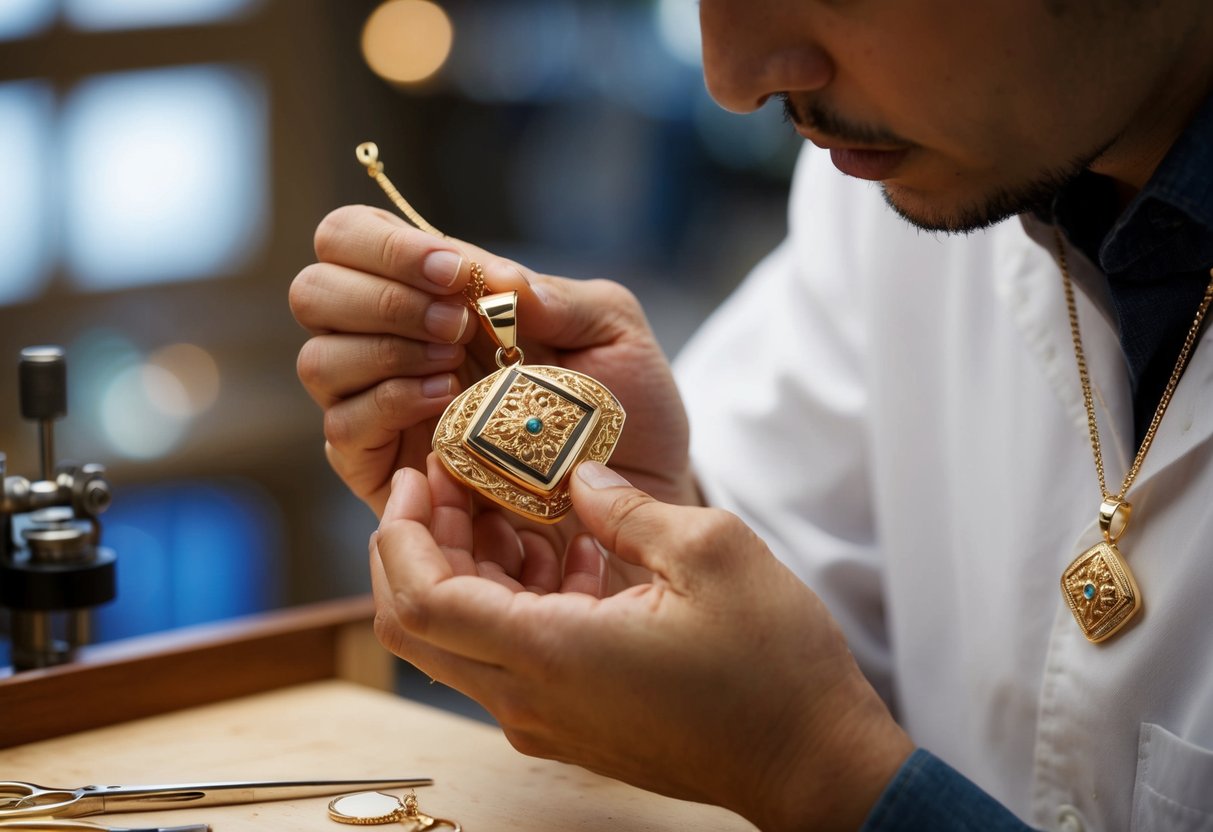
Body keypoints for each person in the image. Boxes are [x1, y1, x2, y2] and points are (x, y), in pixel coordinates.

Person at [288, 1, 1213, 829]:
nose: (732, 79)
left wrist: (820, 777)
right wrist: (623, 553)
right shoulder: (893, 185)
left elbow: (812, 737)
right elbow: (804, 610)